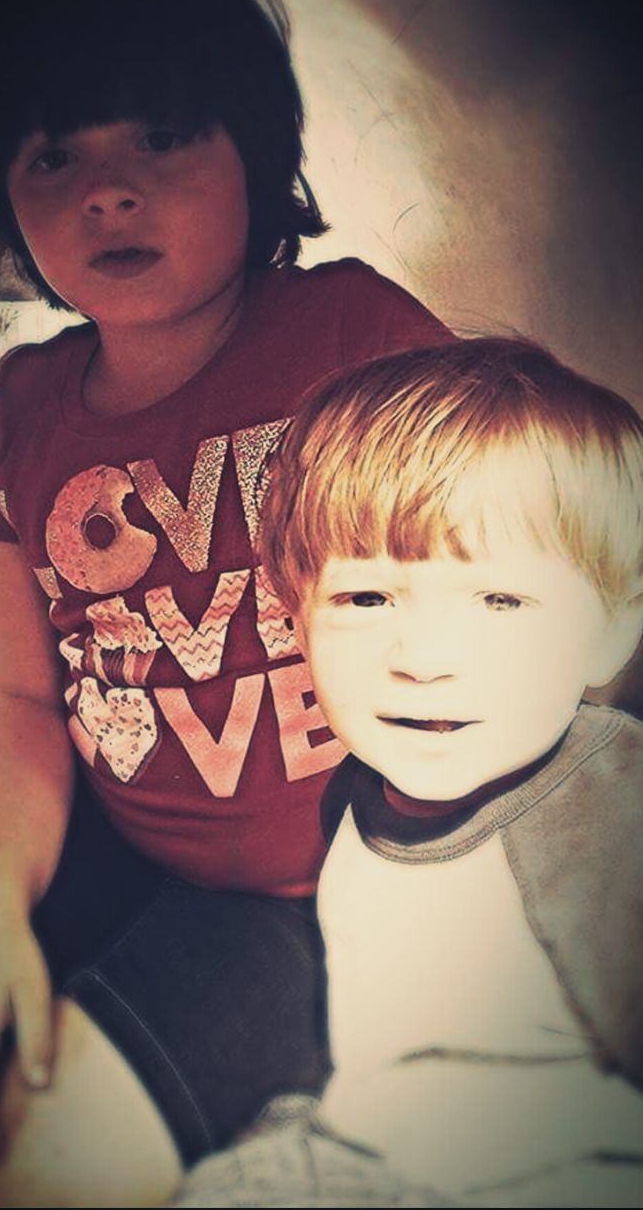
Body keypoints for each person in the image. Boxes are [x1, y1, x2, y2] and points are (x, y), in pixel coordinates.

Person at [0, 0, 450, 1205]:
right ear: (2, 189)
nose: (108, 191)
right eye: (56, 154)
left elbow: (502, 549)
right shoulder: (11, 417)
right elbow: (13, 703)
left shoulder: (357, 337)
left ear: (254, 145)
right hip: (82, 830)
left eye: (164, 134)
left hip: (285, 909)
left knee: (35, 1164)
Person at [173, 336, 643, 1208]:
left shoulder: (607, 813)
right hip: (361, 1150)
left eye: (500, 600)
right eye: (366, 598)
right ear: (295, 620)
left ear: (612, 628)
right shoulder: (358, 786)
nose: (423, 660)